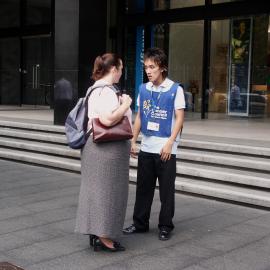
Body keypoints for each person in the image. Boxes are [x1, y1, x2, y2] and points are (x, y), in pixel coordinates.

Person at [123, 47, 185, 241]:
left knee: (166, 190)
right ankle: (140, 223)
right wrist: (133, 139)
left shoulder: (175, 89)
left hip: (166, 148)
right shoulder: (144, 88)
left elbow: (180, 118)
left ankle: (165, 225)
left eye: (152, 67)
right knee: (143, 188)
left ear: (162, 68)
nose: (148, 71)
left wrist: (170, 143)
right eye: (146, 67)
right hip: (147, 147)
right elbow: (140, 116)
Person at [75, 53, 132, 252]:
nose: (122, 72)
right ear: (114, 69)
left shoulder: (96, 89)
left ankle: (98, 232)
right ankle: (104, 237)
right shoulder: (105, 91)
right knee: (108, 192)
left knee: (99, 191)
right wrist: (126, 104)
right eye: (121, 68)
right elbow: (108, 120)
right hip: (105, 150)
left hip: (101, 149)